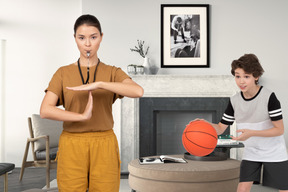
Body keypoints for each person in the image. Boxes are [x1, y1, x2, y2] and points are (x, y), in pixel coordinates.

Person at [40, 14, 144, 191]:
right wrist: (81, 116)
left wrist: (100, 84)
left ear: (101, 37)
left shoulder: (112, 72)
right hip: (72, 143)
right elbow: (45, 110)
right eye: (82, 38)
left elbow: (138, 91)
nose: (87, 44)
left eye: (93, 37)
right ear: (75, 39)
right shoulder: (62, 73)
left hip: (104, 143)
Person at [192, 54, 288, 192]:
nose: (241, 81)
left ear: (256, 76)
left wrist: (252, 133)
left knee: (284, 189)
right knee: (242, 188)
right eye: (237, 76)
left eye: (246, 76)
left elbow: (279, 130)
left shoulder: (269, 97)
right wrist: (205, 124)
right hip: (252, 152)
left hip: (273, 152)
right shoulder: (234, 101)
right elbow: (220, 128)